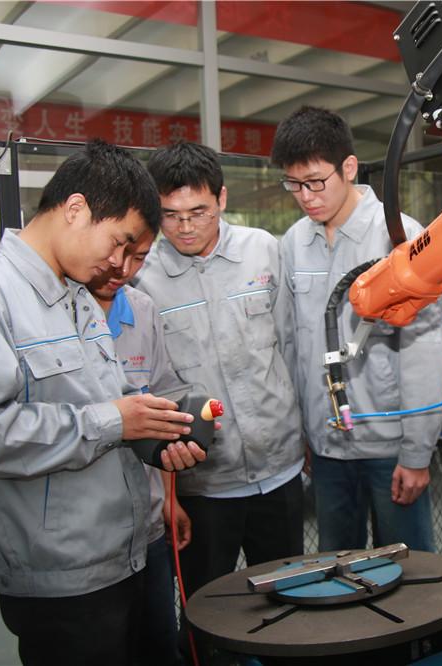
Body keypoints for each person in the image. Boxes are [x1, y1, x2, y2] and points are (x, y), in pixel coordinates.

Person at [0, 139, 206, 666]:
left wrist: (155, 435)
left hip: (127, 554)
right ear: (76, 209)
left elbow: (107, 402)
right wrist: (114, 422)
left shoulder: (77, 297)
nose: (119, 264)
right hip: (62, 575)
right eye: (118, 242)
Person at [133, 142, 305, 606]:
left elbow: (290, 347)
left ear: (222, 199)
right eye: (170, 215)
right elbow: (145, 390)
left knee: (292, 605)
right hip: (204, 486)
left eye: (198, 212)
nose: (185, 227)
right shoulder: (142, 279)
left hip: (280, 471)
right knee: (208, 612)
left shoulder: (262, 250)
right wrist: (166, 495)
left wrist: (304, 433)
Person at [272, 105, 442, 552]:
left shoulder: (399, 236)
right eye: (294, 184)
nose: (305, 196)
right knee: (337, 568)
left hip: (389, 447)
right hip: (327, 449)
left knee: (408, 568)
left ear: (348, 167)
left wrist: (417, 452)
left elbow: (424, 350)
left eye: (315, 182)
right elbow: (292, 345)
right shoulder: (294, 243)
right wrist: (301, 433)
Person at [86, 229, 185, 666]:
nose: (123, 269)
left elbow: (163, 407)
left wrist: (169, 499)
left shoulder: (143, 310)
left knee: (160, 644)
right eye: (115, 254)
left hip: (148, 529)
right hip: (89, 543)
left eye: (139, 257)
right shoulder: (57, 315)